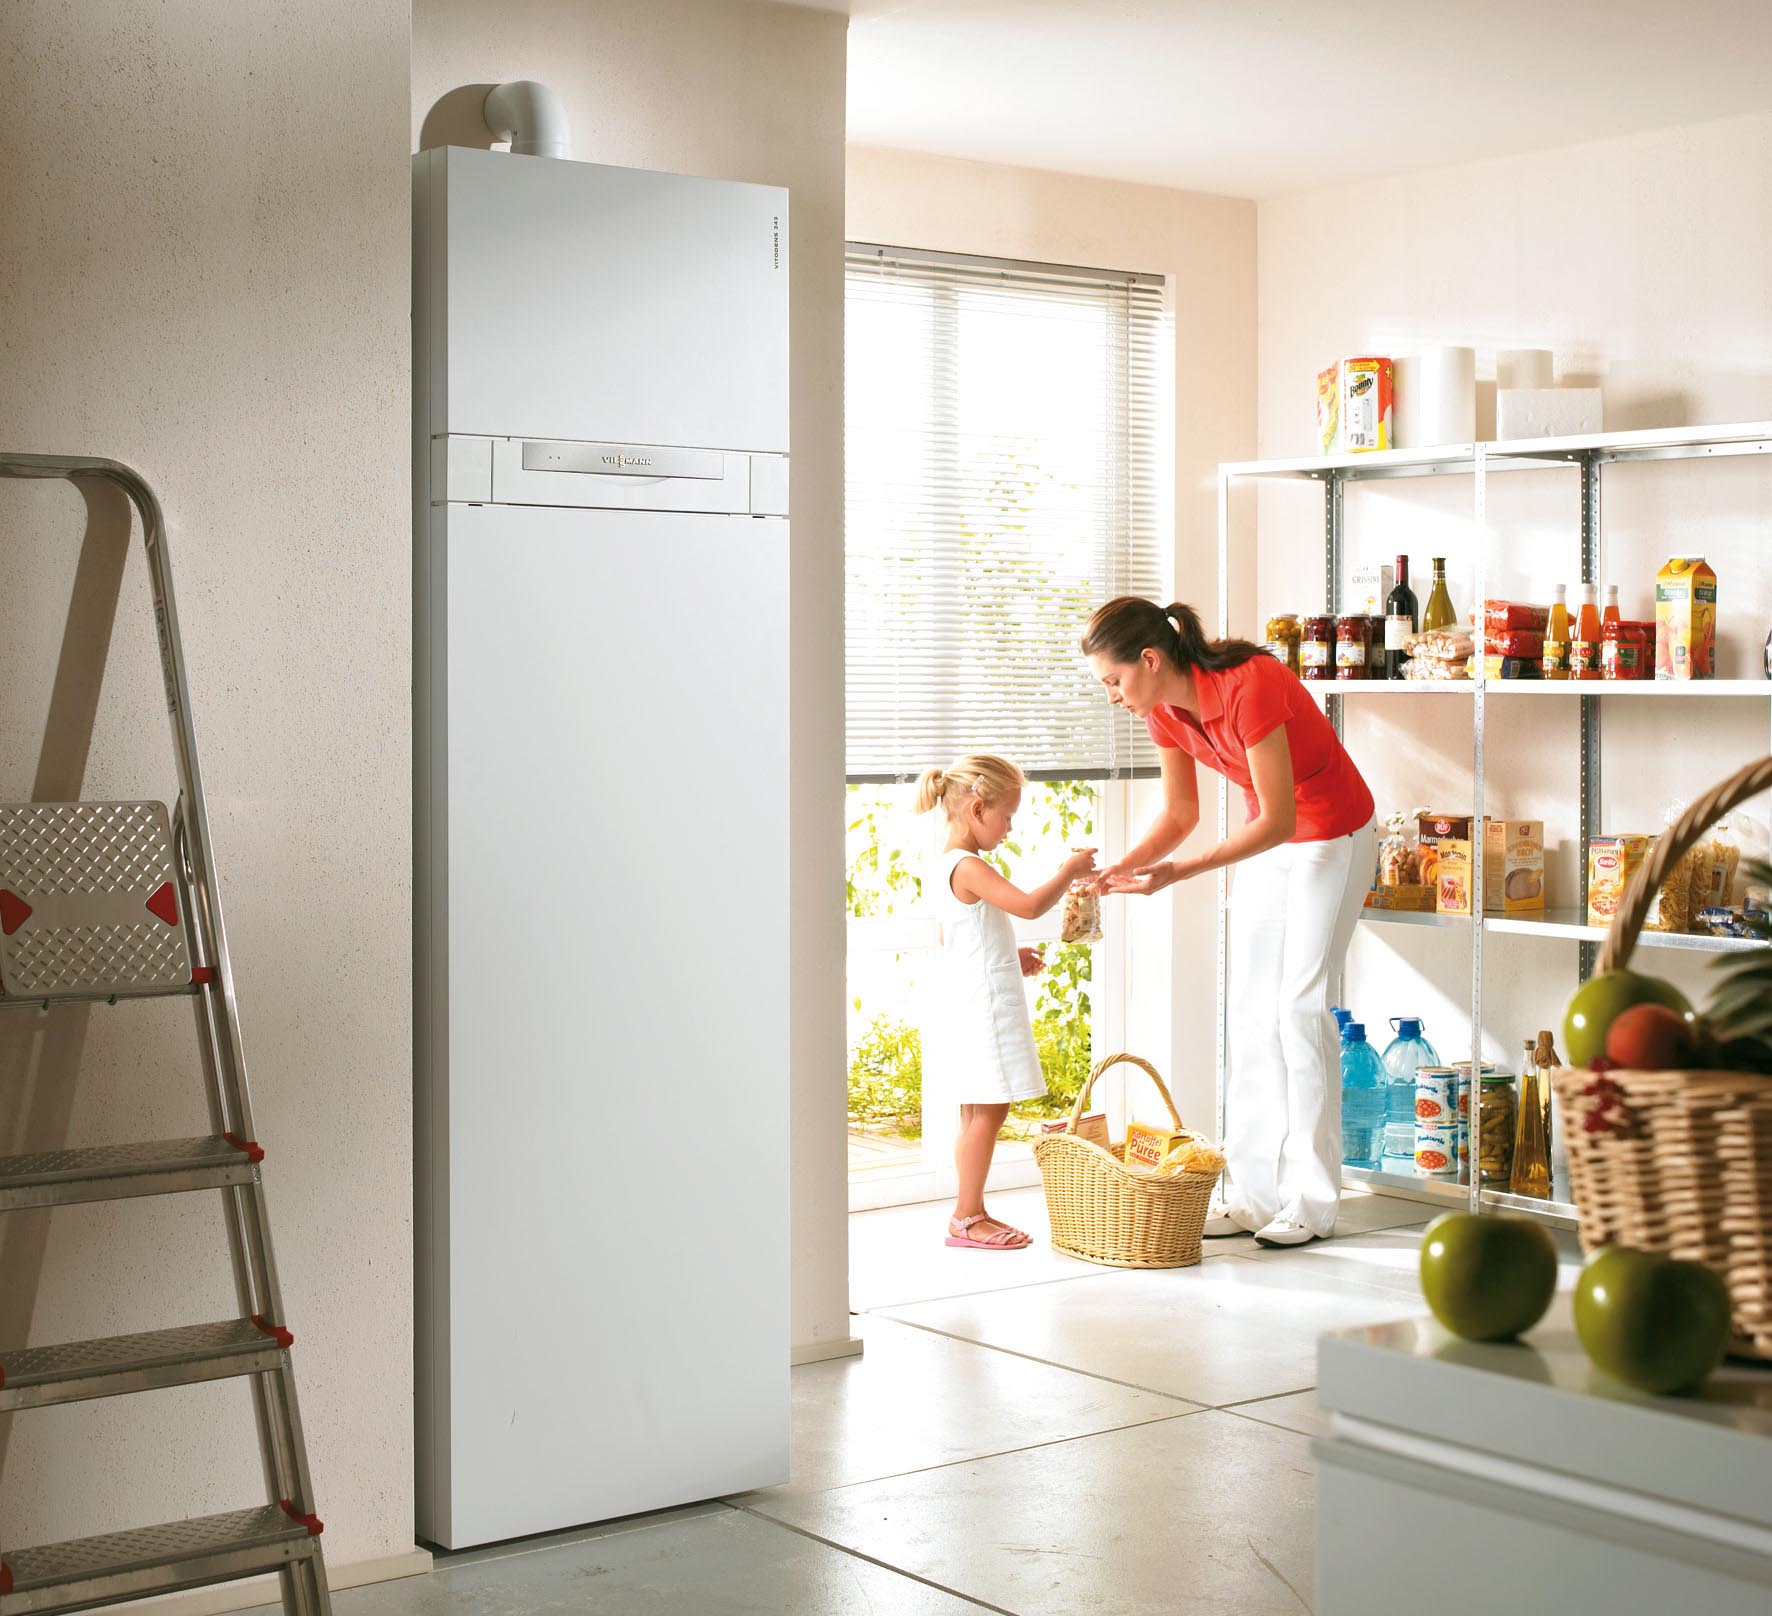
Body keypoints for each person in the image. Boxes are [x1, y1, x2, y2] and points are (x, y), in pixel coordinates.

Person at [1083, 598, 1376, 1247]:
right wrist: (1121, 869)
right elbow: (1180, 814)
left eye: (1113, 679)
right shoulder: (1163, 710)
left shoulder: (1251, 682)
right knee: (1249, 1010)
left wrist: (1178, 874)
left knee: (1300, 1010)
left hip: (1332, 832)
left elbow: (1275, 818)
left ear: (1150, 660)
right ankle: (1250, 1195)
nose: (1112, 696)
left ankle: (1312, 1200)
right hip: (1273, 842)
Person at [915, 755, 1098, 1250]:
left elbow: (963, 934)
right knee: (988, 1112)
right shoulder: (970, 865)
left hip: (972, 997)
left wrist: (1008, 953)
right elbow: (1030, 905)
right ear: (978, 809)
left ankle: (968, 1211)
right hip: (985, 1008)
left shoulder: (946, 864)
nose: (1011, 827)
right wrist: (1071, 869)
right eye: (1008, 815)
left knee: (975, 1113)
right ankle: (967, 1215)